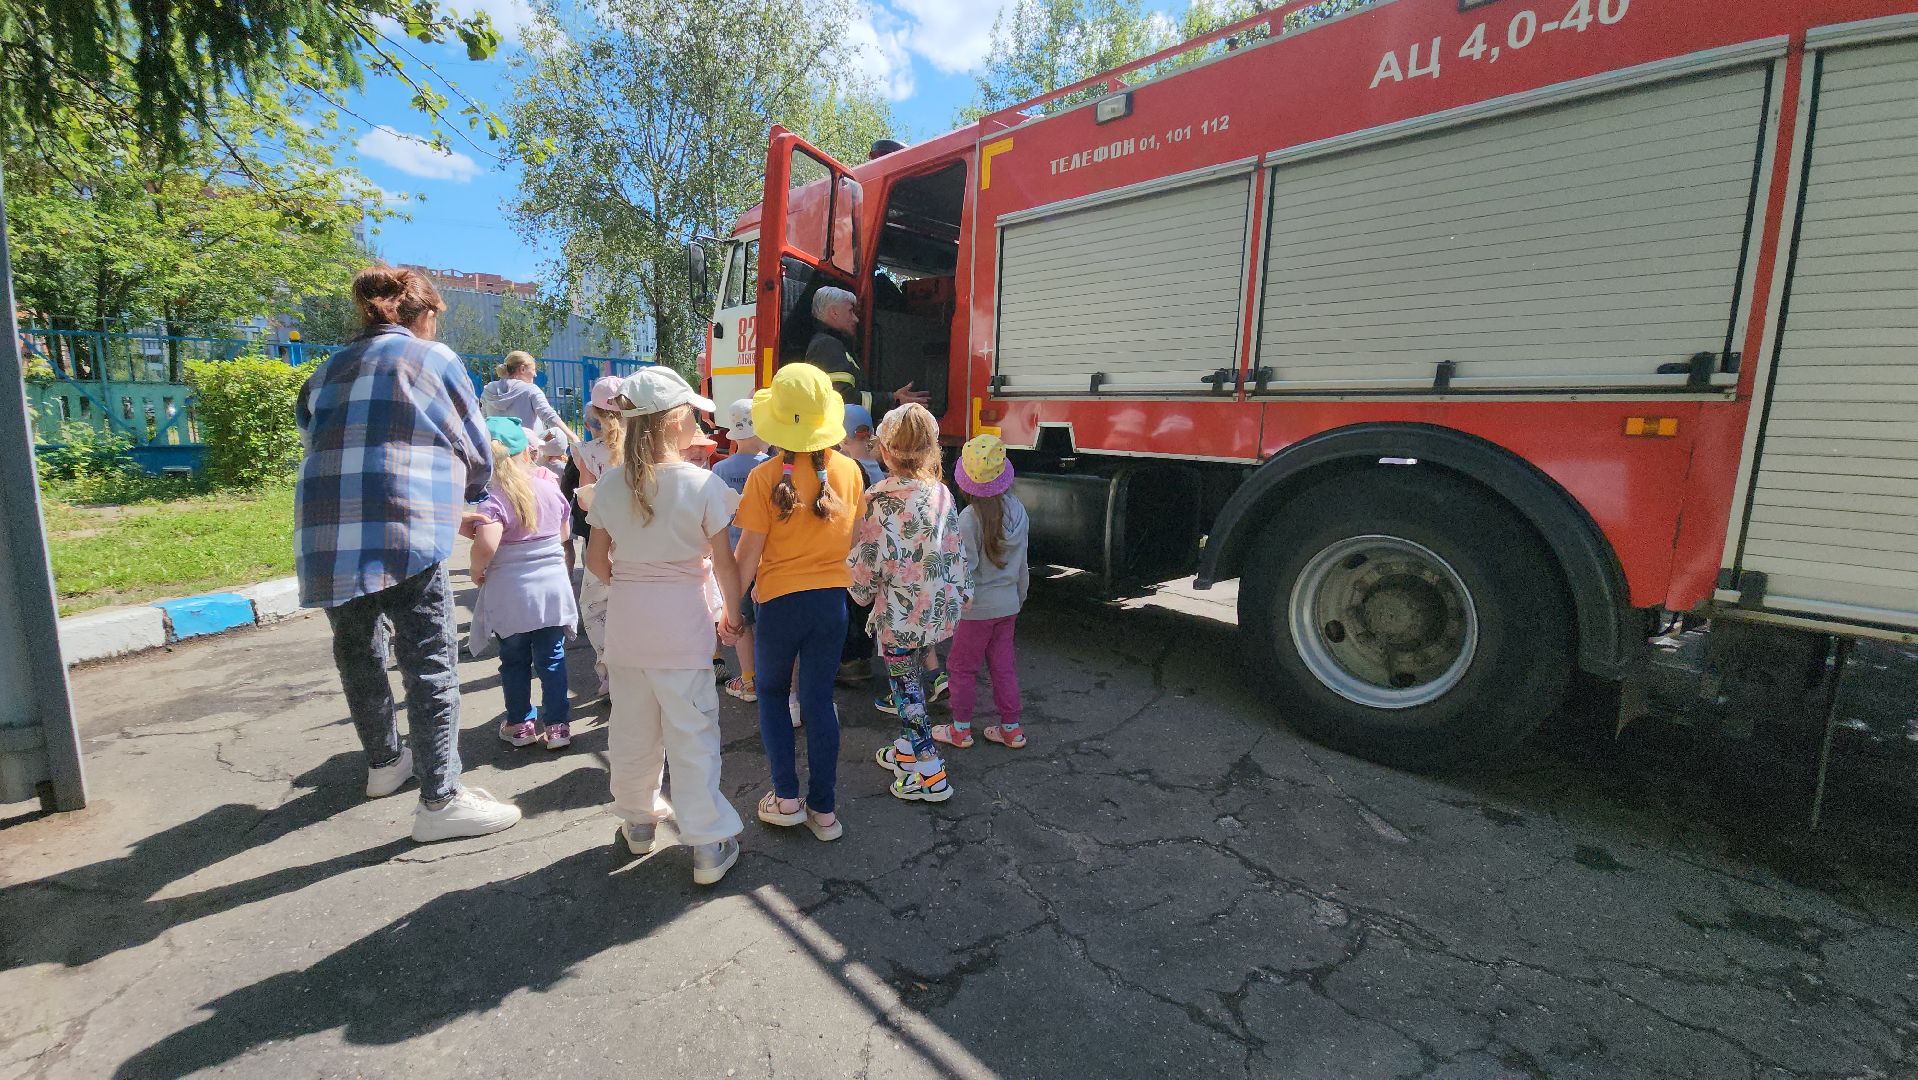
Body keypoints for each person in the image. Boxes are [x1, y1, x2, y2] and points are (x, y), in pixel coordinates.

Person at [295, 266, 521, 842]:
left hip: (327, 531)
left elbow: (320, 436)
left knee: (357, 650)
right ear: (424, 314)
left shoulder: (323, 370)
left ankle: (383, 762)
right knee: (428, 660)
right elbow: (474, 448)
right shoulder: (433, 358)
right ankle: (441, 800)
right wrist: (468, 498)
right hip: (404, 526)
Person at [585, 367, 746, 886]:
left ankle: (636, 823)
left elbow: (596, 561)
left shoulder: (610, 483)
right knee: (692, 732)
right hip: (683, 625)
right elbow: (724, 563)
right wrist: (732, 610)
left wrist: (634, 579)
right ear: (676, 421)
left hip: (629, 626)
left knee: (631, 730)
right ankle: (705, 843)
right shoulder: (702, 484)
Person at [733, 364, 865, 841]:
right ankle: (825, 812)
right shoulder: (851, 471)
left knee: (771, 693)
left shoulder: (764, 477)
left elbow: (746, 557)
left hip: (780, 606)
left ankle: (786, 798)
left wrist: (732, 613)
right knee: (818, 699)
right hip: (832, 604)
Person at [848, 403, 970, 803]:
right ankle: (905, 750)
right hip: (934, 609)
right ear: (932, 449)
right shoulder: (941, 493)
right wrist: (961, 592)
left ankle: (930, 772)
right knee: (911, 681)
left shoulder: (879, 498)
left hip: (899, 614)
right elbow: (953, 548)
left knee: (905, 688)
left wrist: (860, 592)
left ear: (884, 450)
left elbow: (871, 556)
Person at [466, 415, 579, 751]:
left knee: (514, 660)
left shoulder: (493, 497)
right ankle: (558, 726)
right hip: (551, 592)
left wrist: (476, 568)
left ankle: (520, 724)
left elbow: (487, 541)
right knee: (553, 659)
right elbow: (564, 533)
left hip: (511, 594)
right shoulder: (547, 486)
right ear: (526, 453)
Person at [934, 434, 1030, 751]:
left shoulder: (968, 520)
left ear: (965, 482)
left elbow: (964, 570)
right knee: (1003, 667)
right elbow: (1022, 565)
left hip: (976, 611)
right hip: (1008, 606)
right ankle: (1012, 729)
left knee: (962, 668)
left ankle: (960, 729)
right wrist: (1019, 597)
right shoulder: (1019, 512)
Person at [713, 399, 770, 703]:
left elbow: (716, 517)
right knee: (769, 623)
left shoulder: (720, 469)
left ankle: (749, 679)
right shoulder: (771, 467)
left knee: (742, 620)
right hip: (768, 557)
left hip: (733, 558)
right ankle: (775, 678)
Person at [572, 375, 625, 698]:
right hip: (637, 538)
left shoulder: (588, 452)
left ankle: (608, 671)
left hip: (603, 539)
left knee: (595, 606)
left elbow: (583, 498)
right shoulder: (642, 445)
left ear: (594, 413)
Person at [803, 287, 930, 412]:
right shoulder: (826, 346)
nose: (856, 319)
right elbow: (841, 399)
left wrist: (893, 398)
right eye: (850, 311)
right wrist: (891, 399)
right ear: (834, 312)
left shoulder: (833, 344)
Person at [481, 350, 582, 448]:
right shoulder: (530, 390)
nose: (535, 374)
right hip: (525, 453)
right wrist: (573, 437)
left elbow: (484, 420)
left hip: (497, 452)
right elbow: (549, 415)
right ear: (522, 369)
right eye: (533, 370)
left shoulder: (487, 391)